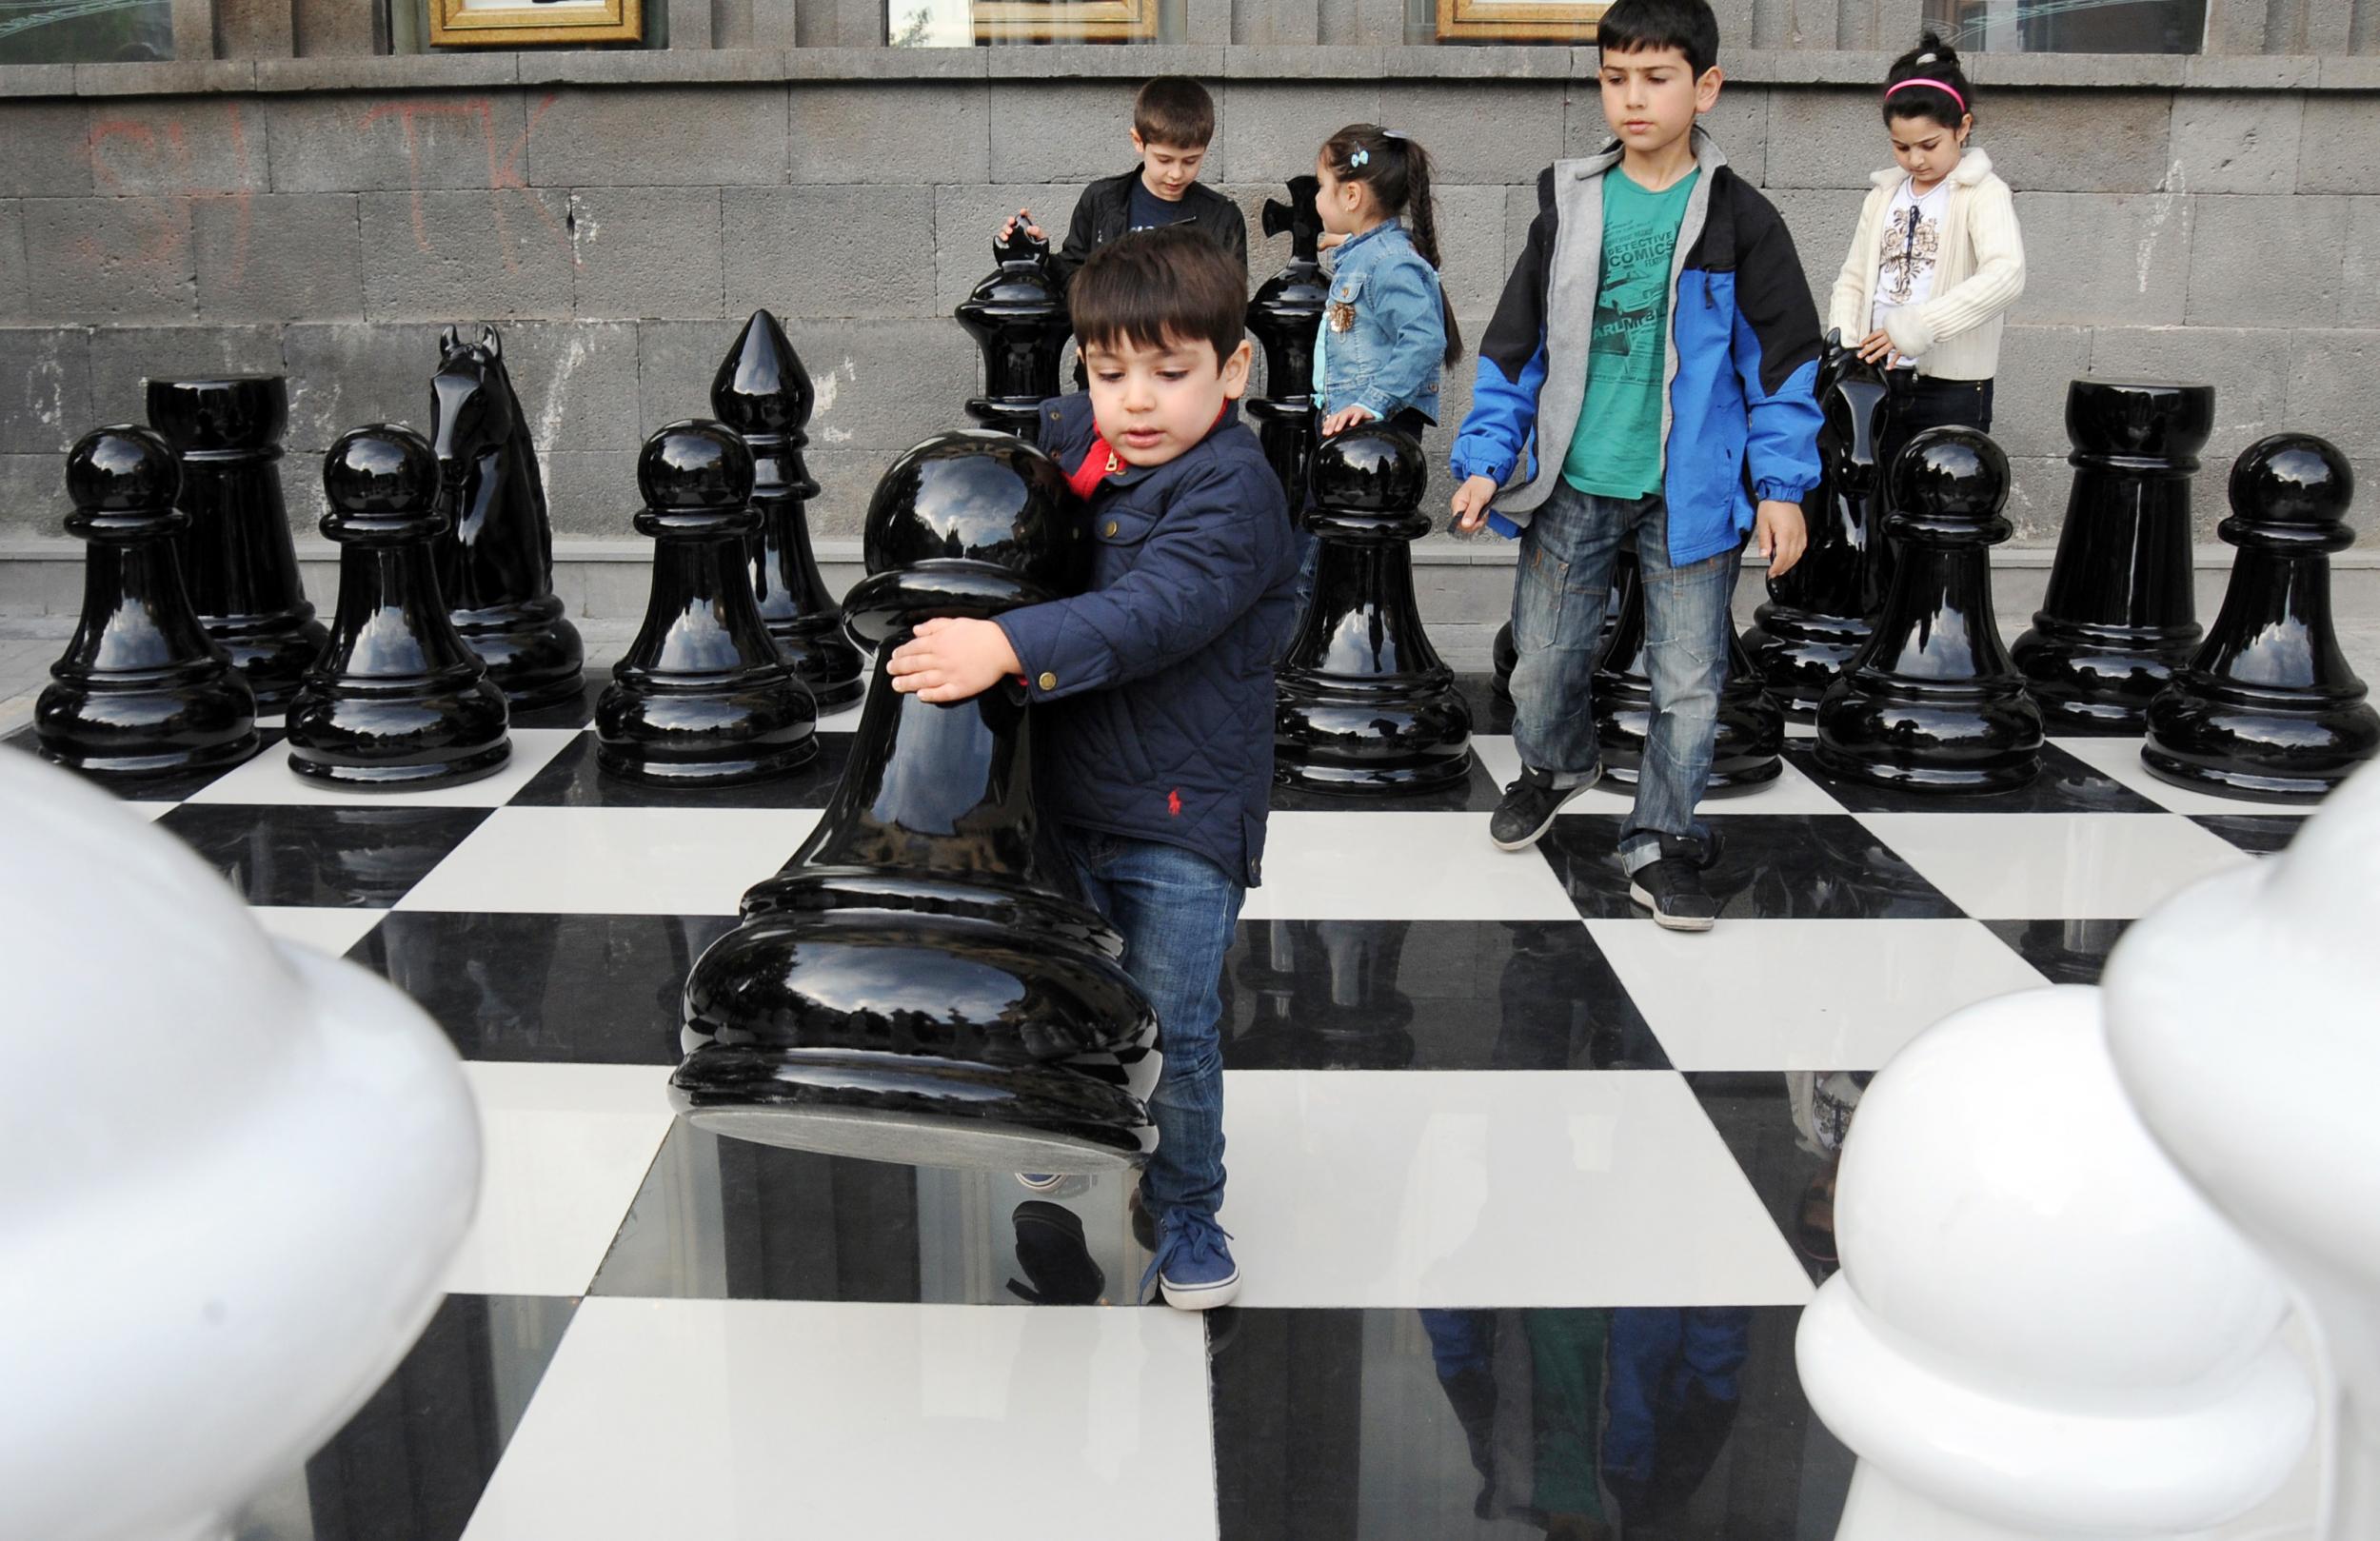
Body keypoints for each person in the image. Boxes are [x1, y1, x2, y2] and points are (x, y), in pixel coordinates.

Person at [885, 227, 1296, 1311]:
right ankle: (1062, 1144)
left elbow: (1153, 610)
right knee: (1050, 997)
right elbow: (992, 494)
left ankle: (1186, 1207)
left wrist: (1006, 647)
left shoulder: (1234, 492)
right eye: (1111, 374)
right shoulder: (1077, 440)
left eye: (1171, 373)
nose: (1139, 401)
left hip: (1178, 814)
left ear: (1234, 368)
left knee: (1176, 1023)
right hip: (1060, 802)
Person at [1446, 0, 1824, 931]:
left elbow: (1780, 362)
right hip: (1575, 480)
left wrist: (1780, 488)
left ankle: (1660, 841)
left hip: (1689, 493)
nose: (1632, 97)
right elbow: (1512, 349)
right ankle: (1556, 763)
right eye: (1615, 78)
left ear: (1704, 87)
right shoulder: (1570, 203)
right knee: (1540, 665)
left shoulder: (1740, 219)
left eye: (1655, 78)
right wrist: (1489, 459)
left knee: (1689, 682)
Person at [1829, 32, 2024, 532]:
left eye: (1928, 145)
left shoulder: (1984, 193)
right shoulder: (1883, 196)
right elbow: (1853, 280)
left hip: (1952, 388)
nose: (1915, 159)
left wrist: (1915, 326)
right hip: (1877, 383)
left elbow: (2006, 275)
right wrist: (1846, 348)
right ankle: (1882, 612)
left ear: (1963, 128)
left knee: (1940, 524)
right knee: (1874, 518)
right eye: (1901, 146)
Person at [998, 76, 1249, 287]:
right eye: (1164, 160)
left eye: (1190, 161)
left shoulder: (1223, 217)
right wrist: (1039, 257)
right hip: (1112, 345)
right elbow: (1075, 281)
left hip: (1188, 346)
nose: (1176, 173)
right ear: (1138, 141)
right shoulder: (1101, 200)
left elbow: (1230, 306)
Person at [1311, 123, 1462, 442]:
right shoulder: (1376, 254)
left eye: (1322, 187)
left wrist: (1372, 402)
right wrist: (1348, 241)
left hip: (1375, 431)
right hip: (1352, 421)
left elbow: (1425, 339)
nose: (1317, 197)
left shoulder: (1388, 262)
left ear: (1351, 195)